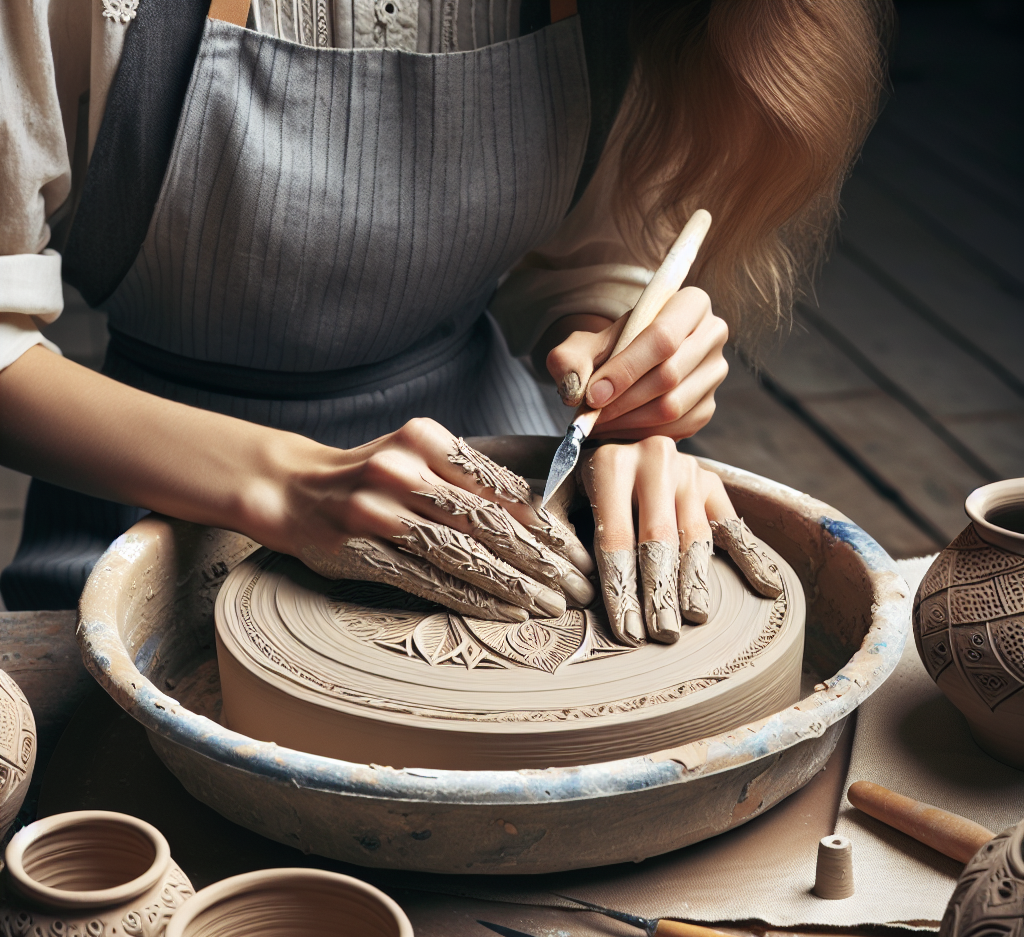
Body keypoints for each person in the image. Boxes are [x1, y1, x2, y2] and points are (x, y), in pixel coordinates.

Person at [0, 0, 889, 642]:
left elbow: (596, 249)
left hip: (512, 483)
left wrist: (623, 370)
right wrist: (294, 487)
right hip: (147, 491)